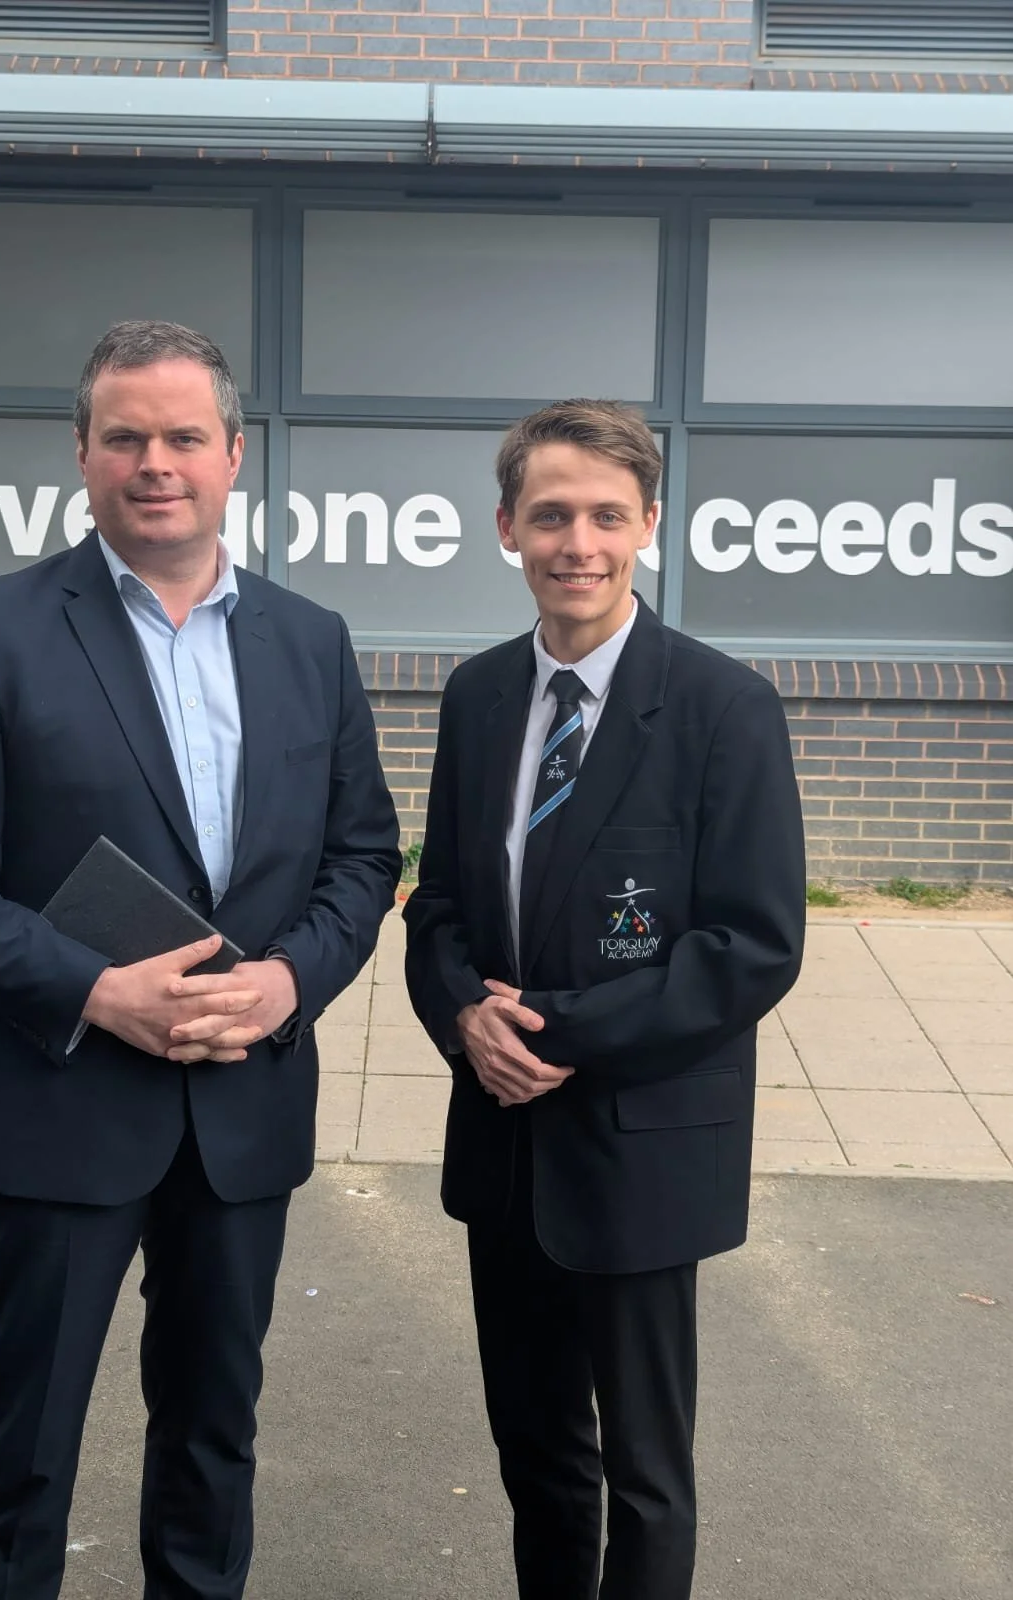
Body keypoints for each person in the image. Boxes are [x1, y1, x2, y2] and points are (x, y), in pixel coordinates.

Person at [0, 320, 402, 1600]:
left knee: (213, 1444)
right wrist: (95, 989)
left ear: (234, 456)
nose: (153, 461)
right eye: (125, 437)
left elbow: (362, 856)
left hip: (242, 1110)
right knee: (19, 1457)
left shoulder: (311, 637)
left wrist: (288, 983)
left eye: (182, 437)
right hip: (56, 1109)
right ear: (82, 453)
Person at [403, 400, 806, 1600]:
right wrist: (464, 1017)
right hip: (504, 1141)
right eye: (550, 515)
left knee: (643, 1469)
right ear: (506, 528)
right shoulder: (477, 699)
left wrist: (552, 1032)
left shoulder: (723, 707)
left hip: (637, 1147)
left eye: (603, 515)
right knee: (534, 1450)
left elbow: (751, 944)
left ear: (649, 526)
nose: (576, 541)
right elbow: (438, 910)